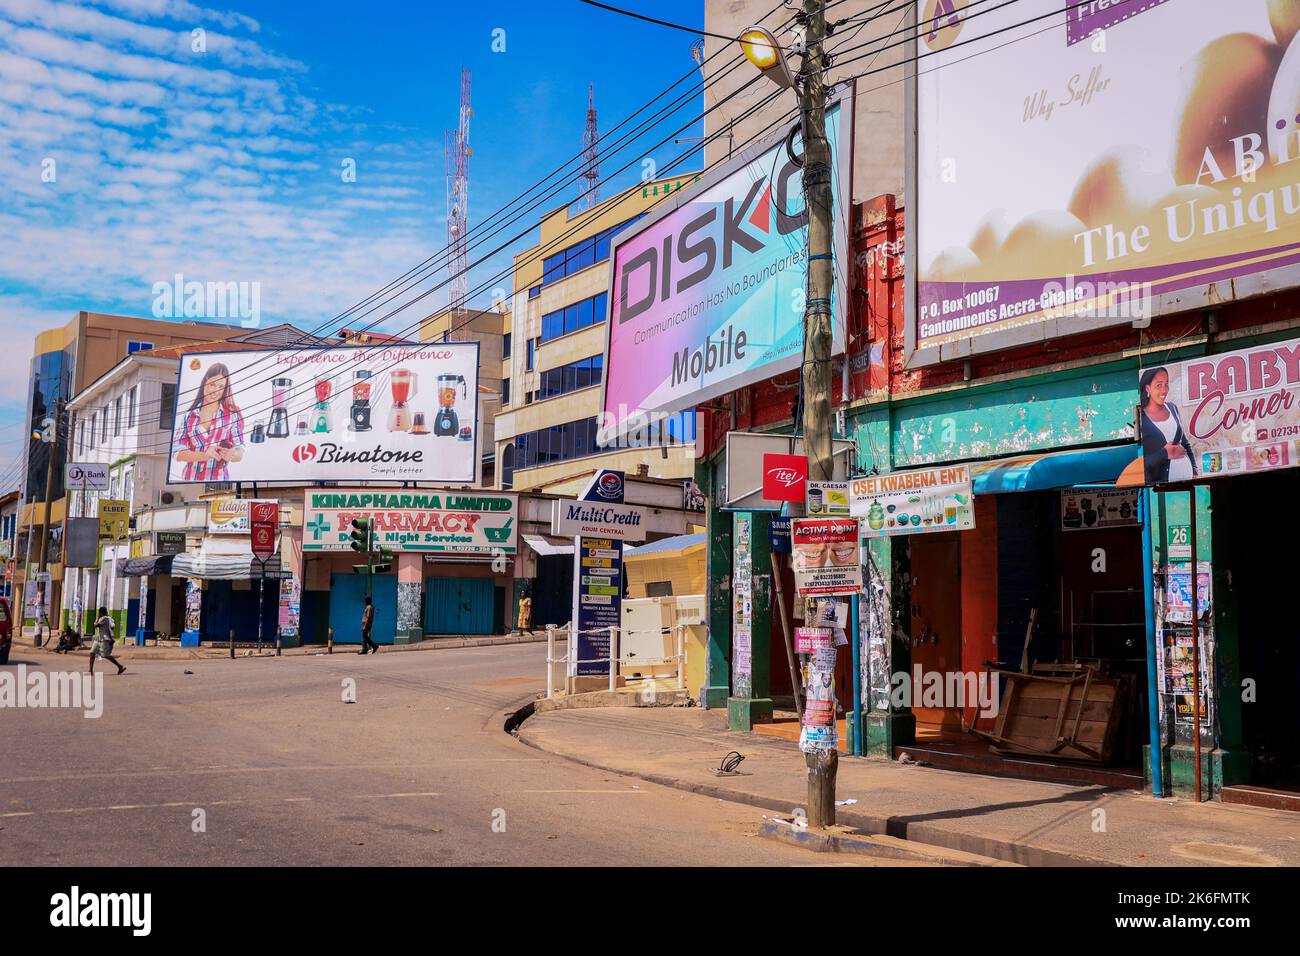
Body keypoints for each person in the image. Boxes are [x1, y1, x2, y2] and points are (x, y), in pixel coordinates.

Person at [174, 362, 245, 482]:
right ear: (204, 383)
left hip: (220, 482)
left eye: (221, 387)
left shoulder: (232, 416)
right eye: (213, 385)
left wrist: (232, 454)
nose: (215, 391)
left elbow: (239, 451)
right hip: (189, 481)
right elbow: (177, 453)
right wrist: (204, 455)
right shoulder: (189, 416)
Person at [1140, 366, 1196, 484]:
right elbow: (1141, 464)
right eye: (1159, 385)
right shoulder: (1142, 419)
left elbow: (1185, 443)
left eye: (1166, 384)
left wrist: (1195, 470)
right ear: (1147, 388)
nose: (1164, 390)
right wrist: (1165, 453)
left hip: (1189, 479)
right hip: (1164, 485)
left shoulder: (1172, 407)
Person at [90, 606, 125, 676]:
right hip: (98, 639)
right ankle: (90, 670)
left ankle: (119, 666)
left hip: (104, 640)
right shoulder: (100, 618)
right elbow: (95, 624)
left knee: (105, 655)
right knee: (92, 653)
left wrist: (97, 619)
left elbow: (96, 625)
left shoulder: (105, 619)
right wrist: (97, 618)